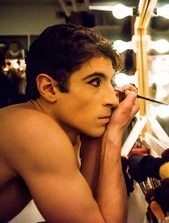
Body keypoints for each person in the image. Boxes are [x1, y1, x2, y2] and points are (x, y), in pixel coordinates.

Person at [0, 24, 140, 222]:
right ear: (48, 88)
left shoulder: (58, 131)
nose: (113, 99)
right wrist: (114, 134)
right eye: (95, 82)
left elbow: (87, 203)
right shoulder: (34, 131)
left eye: (110, 83)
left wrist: (96, 139)